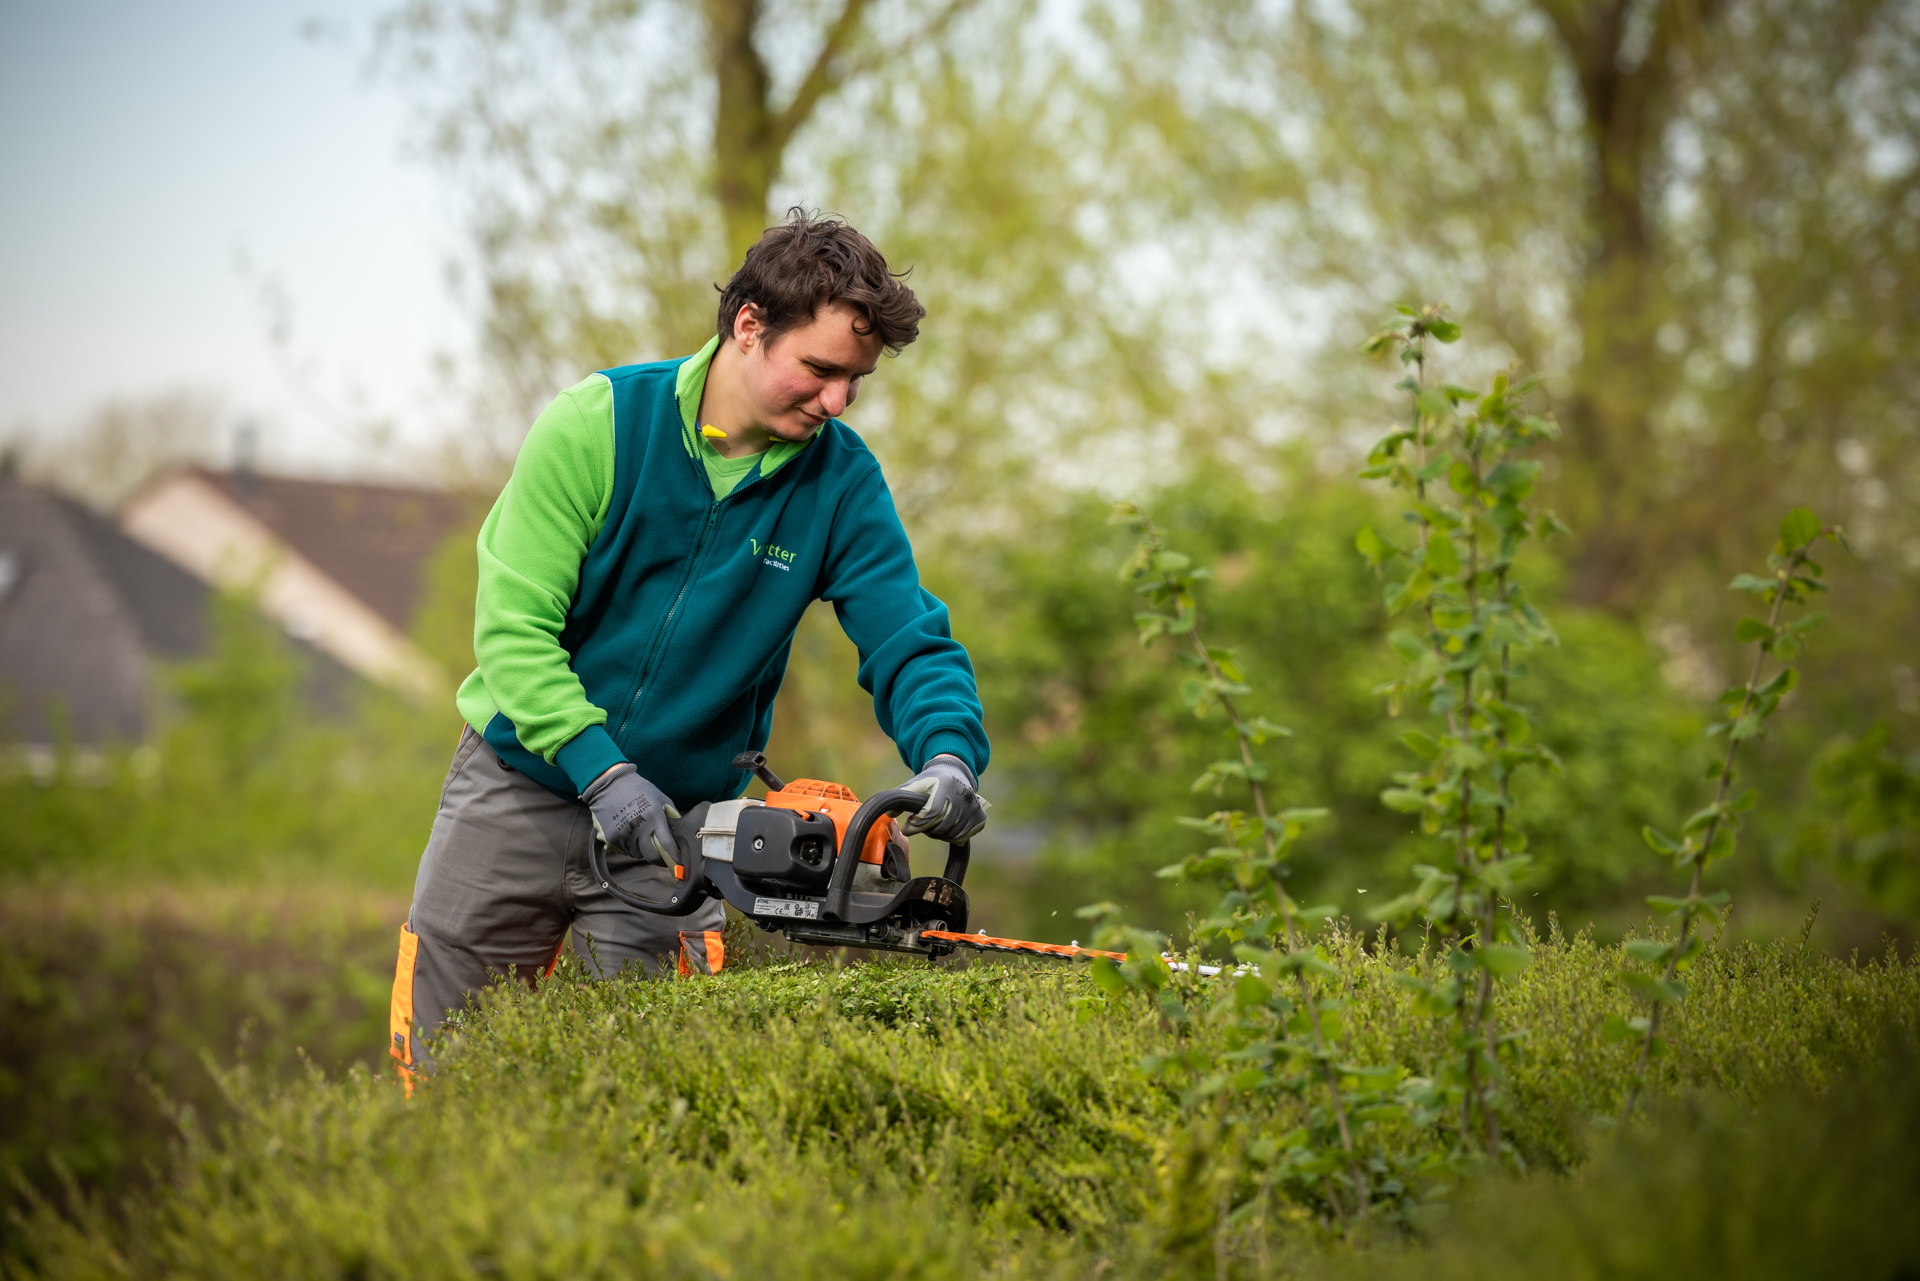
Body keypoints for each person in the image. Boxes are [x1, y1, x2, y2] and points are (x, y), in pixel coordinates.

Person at [389, 211, 990, 1082]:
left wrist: (948, 754)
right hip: (513, 790)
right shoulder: (600, 424)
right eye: (820, 370)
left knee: (642, 1090)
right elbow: (514, 633)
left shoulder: (841, 483)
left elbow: (908, 635)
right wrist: (600, 771)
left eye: (854, 382)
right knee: (441, 1071)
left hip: (673, 833)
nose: (836, 402)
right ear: (749, 325)